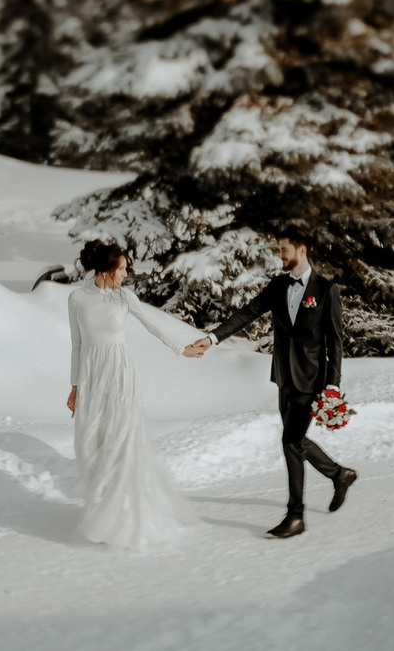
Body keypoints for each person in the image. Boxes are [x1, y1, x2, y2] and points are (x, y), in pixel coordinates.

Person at [182, 234, 356, 539]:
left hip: (312, 380)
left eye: (284, 251)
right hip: (283, 377)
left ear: (302, 251)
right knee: (296, 440)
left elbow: (335, 342)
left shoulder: (326, 290)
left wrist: (332, 386)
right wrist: (212, 339)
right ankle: (340, 474)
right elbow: (247, 313)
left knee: (290, 442)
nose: (280, 255)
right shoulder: (278, 286)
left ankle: (296, 515)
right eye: (279, 251)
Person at [65, 238, 200, 548]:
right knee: (91, 441)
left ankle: (124, 511)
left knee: (121, 439)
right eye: (122, 269)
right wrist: (74, 386)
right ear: (107, 269)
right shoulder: (76, 299)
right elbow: (76, 345)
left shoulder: (125, 297)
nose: (126, 274)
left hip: (120, 372)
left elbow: (153, 324)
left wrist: (181, 349)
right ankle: (102, 506)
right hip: (91, 374)